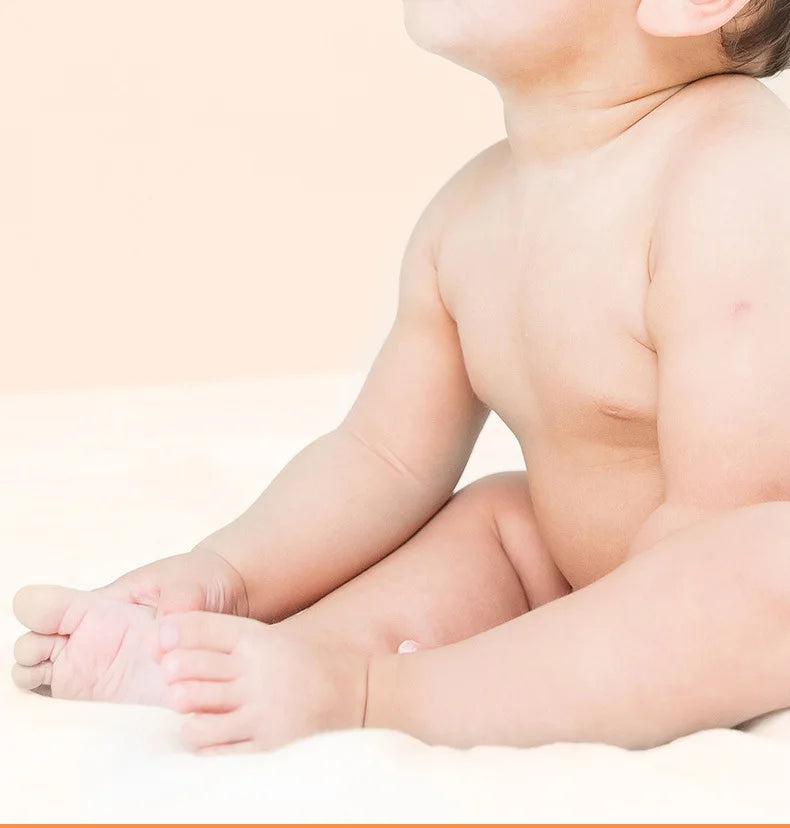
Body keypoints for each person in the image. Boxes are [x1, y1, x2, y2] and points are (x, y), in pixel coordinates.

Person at [12, 0, 790, 755]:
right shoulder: (469, 212)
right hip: (588, 584)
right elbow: (383, 456)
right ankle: (231, 660)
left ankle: (377, 695)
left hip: (724, 569)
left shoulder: (735, 175)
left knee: (764, 559)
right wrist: (224, 573)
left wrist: (599, 645)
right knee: (499, 519)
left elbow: (723, 519)